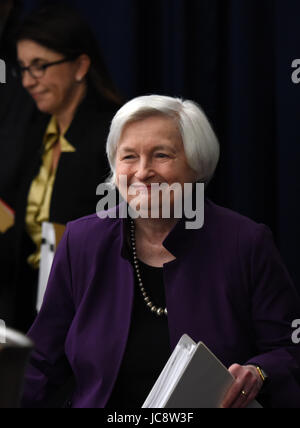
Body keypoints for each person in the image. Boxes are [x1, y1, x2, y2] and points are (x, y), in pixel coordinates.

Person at [22, 95, 300, 408]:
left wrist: (258, 372)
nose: (142, 172)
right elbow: (40, 362)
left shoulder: (245, 243)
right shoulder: (82, 241)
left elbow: (288, 349)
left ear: (197, 165)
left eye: (161, 155)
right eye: (129, 157)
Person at [5, 3, 121, 332]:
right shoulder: (32, 133)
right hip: (31, 310)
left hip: (92, 313)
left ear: (81, 66)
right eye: (24, 68)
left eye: (40, 66)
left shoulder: (116, 135)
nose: (28, 81)